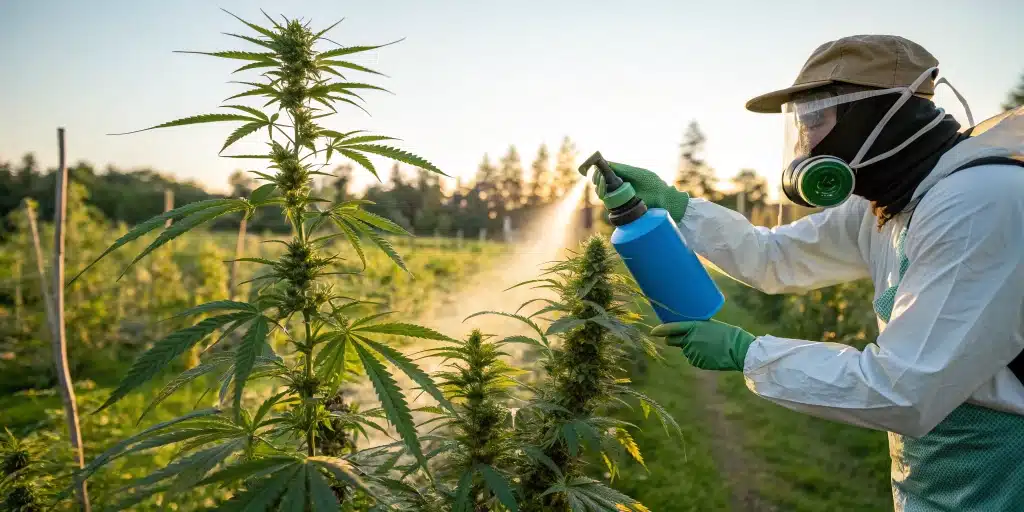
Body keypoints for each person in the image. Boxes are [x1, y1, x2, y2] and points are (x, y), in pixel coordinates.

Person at [593, 34, 1024, 511]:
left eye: (814, 119)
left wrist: (749, 354)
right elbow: (774, 258)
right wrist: (679, 207)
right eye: (799, 123)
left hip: (1001, 468)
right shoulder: (889, 204)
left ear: (876, 118)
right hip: (936, 465)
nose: (804, 142)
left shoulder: (978, 202)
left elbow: (907, 390)